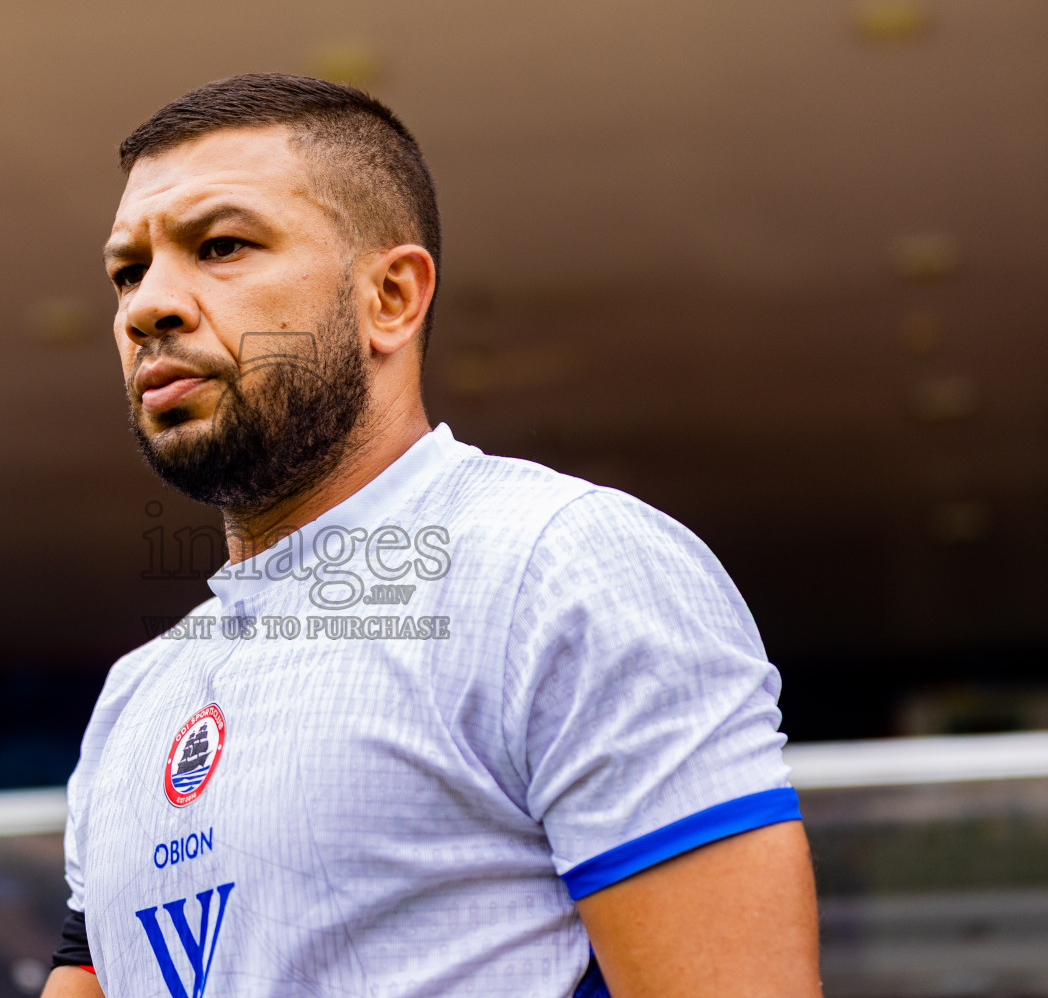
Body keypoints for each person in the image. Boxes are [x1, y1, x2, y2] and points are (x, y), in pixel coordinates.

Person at [43, 73, 820, 998]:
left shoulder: (564, 565)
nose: (147, 307)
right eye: (128, 271)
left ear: (391, 297)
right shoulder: (135, 699)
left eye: (221, 246)